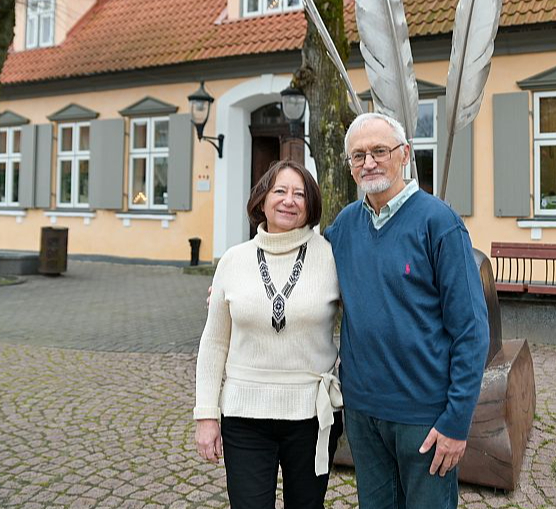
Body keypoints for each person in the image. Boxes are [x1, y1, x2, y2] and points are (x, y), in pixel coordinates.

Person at [324, 112, 490, 509]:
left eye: (380, 151)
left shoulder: (439, 222)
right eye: (358, 155)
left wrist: (456, 421)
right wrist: (238, 281)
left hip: (425, 416)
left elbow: (471, 330)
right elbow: (305, 274)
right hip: (363, 412)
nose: (369, 162)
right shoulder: (344, 226)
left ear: (405, 154)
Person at [193, 160, 344, 509]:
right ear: (262, 200)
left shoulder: (331, 258)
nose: (289, 200)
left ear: (310, 204)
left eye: (299, 194)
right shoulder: (233, 260)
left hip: (311, 416)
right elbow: (214, 342)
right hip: (244, 416)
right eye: (280, 191)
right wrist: (206, 415)